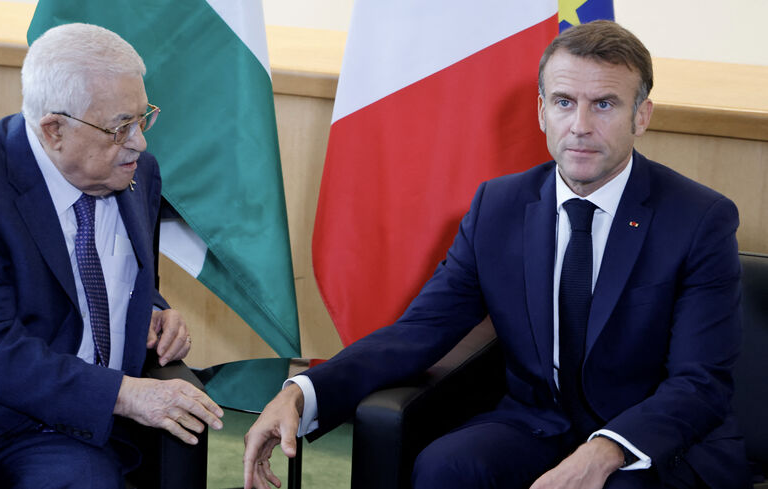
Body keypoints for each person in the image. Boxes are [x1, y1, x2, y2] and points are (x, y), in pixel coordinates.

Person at [243, 20, 748, 489]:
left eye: (605, 104)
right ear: (541, 111)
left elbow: (699, 382)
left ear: (642, 115)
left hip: (652, 442)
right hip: (538, 423)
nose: (580, 126)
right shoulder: (498, 206)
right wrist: (302, 392)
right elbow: (419, 331)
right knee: (445, 467)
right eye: (565, 101)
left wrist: (606, 450)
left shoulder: (699, 220)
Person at [0, 23, 223, 488]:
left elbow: (99, 271)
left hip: (54, 420)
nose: (139, 142)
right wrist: (124, 394)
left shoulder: (136, 173)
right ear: (53, 130)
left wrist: (152, 310)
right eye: (120, 127)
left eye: (143, 117)